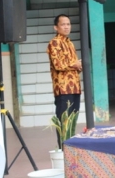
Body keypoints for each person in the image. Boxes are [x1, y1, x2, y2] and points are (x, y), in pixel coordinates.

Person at [47, 14, 82, 149]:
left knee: (72, 120)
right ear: (56, 27)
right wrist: (75, 64)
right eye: (63, 24)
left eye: (68, 24)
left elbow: (74, 67)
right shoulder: (54, 42)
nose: (66, 27)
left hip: (75, 87)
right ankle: (64, 149)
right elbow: (58, 65)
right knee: (64, 121)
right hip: (63, 88)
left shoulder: (70, 43)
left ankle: (71, 147)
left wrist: (78, 65)